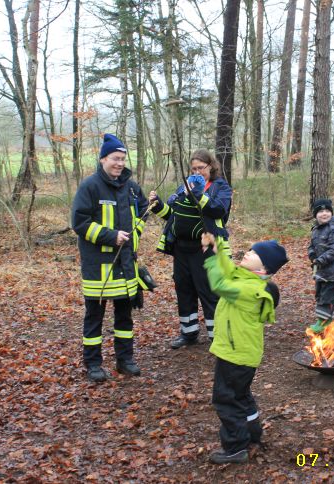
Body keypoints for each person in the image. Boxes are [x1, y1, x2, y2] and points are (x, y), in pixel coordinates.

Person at [200, 233, 288, 464]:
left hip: (235, 354)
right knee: (241, 396)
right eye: (251, 249)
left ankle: (235, 447)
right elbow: (230, 270)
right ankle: (252, 432)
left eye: (255, 253)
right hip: (240, 354)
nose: (248, 252)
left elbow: (219, 283)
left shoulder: (250, 291)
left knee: (225, 398)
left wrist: (210, 258)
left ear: (264, 269)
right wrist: (218, 247)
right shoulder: (247, 279)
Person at [72, 134, 150, 382]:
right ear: (103, 158)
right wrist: (111, 236)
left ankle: (125, 360)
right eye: (115, 158)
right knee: (94, 317)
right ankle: (93, 363)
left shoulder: (131, 187)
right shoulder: (90, 186)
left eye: (123, 159)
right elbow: (80, 223)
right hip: (99, 267)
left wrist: (134, 233)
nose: (119, 163)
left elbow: (144, 210)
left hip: (126, 265)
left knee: (125, 316)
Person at [148, 149, 233, 349]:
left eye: (201, 168)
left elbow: (219, 210)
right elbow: (174, 215)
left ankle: (217, 336)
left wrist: (198, 195)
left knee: (209, 292)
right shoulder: (184, 186)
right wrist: (159, 205)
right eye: (193, 168)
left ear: (211, 167)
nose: (197, 172)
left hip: (205, 248)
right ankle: (188, 333)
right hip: (181, 248)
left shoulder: (221, 187)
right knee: (184, 290)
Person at [307, 198, 334, 333]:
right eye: (321, 211)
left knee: (327, 298)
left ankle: (323, 322)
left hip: (332, 274)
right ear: (315, 215)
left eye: (327, 211)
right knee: (319, 296)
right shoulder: (316, 229)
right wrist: (312, 255)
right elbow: (312, 245)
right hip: (320, 272)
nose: (324, 214)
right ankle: (323, 320)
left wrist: (321, 260)